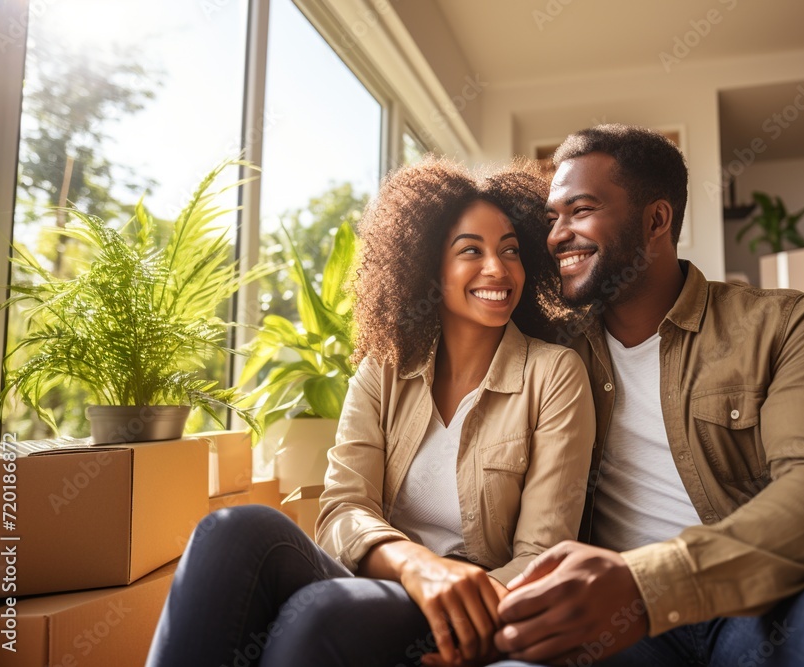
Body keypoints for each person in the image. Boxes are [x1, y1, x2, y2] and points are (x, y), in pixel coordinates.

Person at [488, 125, 804, 666]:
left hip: (772, 598)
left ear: (656, 220)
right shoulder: (549, 354)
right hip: (614, 621)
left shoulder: (785, 324)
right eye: (551, 218)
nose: (557, 235)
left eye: (581, 210)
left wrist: (648, 582)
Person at [145, 158, 596, 667]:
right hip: (384, 576)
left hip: (474, 603)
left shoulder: (553, 374)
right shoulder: (383, 370)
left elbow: (540, 556)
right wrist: (415, 564)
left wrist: (465, 607)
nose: (497, 268)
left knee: (320, 613)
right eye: (471, 250)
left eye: (510, 250)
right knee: (230, 530)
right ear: (428, 266)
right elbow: (343, 509)